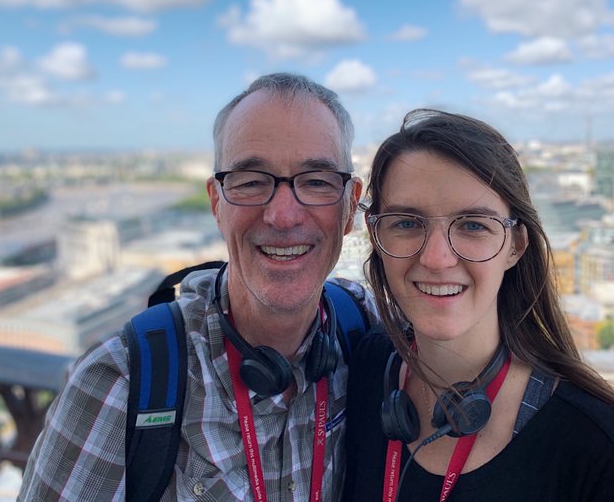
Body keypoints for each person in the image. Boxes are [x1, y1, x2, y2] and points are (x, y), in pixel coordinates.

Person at [20, 73, 371, 501]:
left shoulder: (365, 330)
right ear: (215, 203)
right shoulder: (121, 384)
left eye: (317, 181)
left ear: (351, 205)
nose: (283, 215)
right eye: (251, 181)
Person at [343, 109, 614, 501]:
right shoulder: (365, 370)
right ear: (375, 234)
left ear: (516, 245)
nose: (436, 258)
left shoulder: (600, 448)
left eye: (472, 225)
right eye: (406, 222)